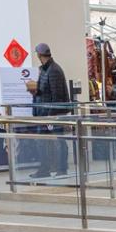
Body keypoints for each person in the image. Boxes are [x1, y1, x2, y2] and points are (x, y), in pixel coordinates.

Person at [28, 42, 73, 179]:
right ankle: (45, 168)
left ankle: (61, 168)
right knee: (42, 141)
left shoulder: (54, 70)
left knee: (59, 140)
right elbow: (45, 92)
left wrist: (50, 116)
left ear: (40, 55)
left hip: (52, 114)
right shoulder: (44, 69)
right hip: (44, 113)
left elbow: (57, 96)